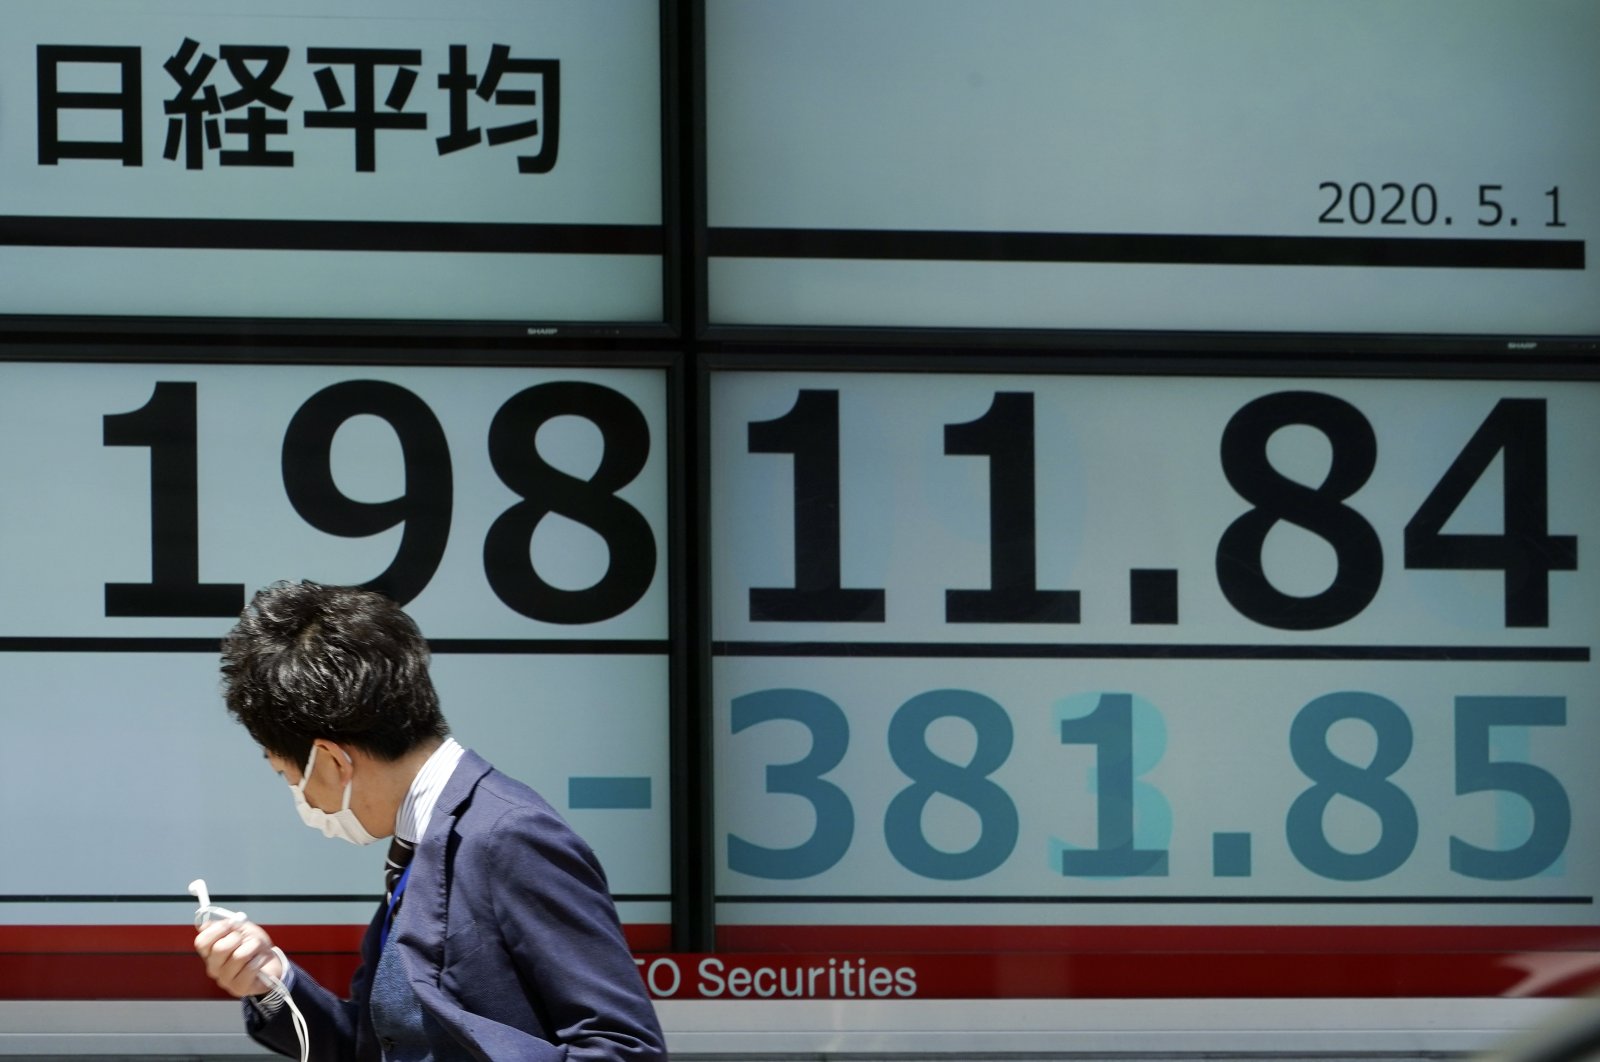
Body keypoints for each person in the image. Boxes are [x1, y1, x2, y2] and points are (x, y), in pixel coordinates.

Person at [192, 580, 667, 1062]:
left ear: (332, 761)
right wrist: (273, 981)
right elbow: (384, 1042)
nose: (298, 796)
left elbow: (625, 1048)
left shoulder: (509, 836)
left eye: (287, 775)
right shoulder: (422, 840)